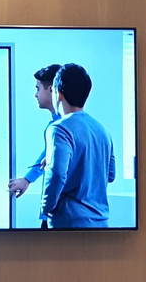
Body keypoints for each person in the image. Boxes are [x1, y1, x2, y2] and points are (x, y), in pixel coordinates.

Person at [40, 63, 115, 229]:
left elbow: (57, 175)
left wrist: (46, 208)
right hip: (101, 223)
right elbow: (110, 174)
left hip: (69, 224)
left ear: (59, 93)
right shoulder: (102, 130)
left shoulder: (59, 128)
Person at [8, 64, 60, 204]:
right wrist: (27, 179)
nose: (35, 95)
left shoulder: (60, 127)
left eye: (38, 89)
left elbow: (56, 165)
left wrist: (47, 207)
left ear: (51, 90)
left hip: (60, 211)